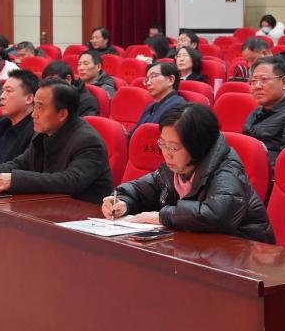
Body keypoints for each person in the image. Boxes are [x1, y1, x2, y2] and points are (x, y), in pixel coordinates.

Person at [104, 103, 273, 242]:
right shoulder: (174, 168)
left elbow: (215, 216)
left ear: (197, 146)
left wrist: (164, 216)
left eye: (173, 147)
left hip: (244, 253)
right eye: (162, 144)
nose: (166, 154)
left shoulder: (227, 170)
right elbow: (140, 190)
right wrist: (123, 202)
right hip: (198, 248)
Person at [0, 80, 112, 201]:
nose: (33, 114)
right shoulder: (44, 133)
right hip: (50, 206)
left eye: (40, 107)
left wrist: (16, 180)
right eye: (34, 106)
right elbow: (22, 163)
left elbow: (70, 181)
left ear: (62, 114)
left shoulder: (88, 141)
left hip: (84, 213)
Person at [133, 62, 186, 134]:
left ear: (170, 80)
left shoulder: (178, 108)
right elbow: (133, 134)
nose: (148, 83)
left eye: (153, 77)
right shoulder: (150, 106)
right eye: (147, 79)